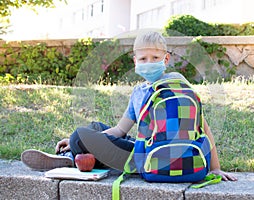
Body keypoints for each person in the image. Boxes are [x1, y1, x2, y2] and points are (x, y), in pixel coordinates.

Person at [22, 31, 237, 181]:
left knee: (80, 135)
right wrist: (92, 138)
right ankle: (74, 155)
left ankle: (73, 158)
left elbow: (204, 128)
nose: (148, 62)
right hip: (144, 146)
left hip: (150, 157)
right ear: (135, 62)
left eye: (155, 57)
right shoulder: (140, 91)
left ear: (166, 59)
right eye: (143, 58)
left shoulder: (177, 87)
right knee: (95, 128)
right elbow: (119, 130)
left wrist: (216, 168)